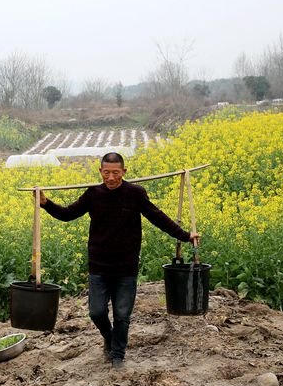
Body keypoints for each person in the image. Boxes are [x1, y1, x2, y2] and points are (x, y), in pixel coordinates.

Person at [40, 152, 201, 369]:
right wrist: (45, 203)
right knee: (96, 312)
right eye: (106, 172)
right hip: (99, 266)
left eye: (116, 172)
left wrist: (185, 236)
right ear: (100, 172)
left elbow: (158, 217)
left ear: (124, 172)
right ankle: (110, 337)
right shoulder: (93, 194)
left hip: (126, 267)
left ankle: (118, 355)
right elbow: (68, 214)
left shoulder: (135, 193)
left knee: (123, 314)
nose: (111, 177)